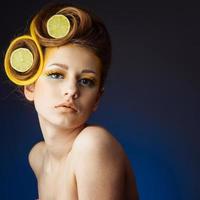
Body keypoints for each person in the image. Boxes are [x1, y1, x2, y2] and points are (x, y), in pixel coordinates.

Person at [4, 3, 138, 200]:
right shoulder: (38, 157)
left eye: (86, 81)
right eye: (57, 75)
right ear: (30, 86)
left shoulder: (92, 144)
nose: (72, 90)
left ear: (97, 99)